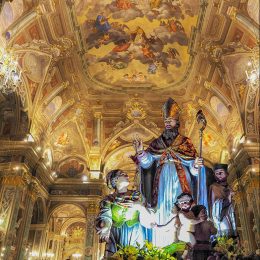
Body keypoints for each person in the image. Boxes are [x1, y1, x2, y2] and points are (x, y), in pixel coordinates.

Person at [132, 97, 208, 247]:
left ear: (177, 122)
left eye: (171, 120)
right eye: (166, 119)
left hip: (181, 178)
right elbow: (147, 163)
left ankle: (182, 242)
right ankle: (162, 243)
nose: (168, 122)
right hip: (161, 180)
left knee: (182, 205)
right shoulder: (157, 142)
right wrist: (140, 152)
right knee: (162, 206)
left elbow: (193, 169)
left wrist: (195, 165)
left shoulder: (185, 142)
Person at [95, 169, 155, 257]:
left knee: (136, 255)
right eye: (123, 174)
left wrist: (139, 206)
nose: (127, 176)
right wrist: (105, 225)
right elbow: (105, 215)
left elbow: (148, 212)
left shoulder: (137, 196)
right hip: (116, 233)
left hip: (135, 232)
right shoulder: (109, 199)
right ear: (115, 180)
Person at [209, 164, 236, 237]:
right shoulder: (214, 187)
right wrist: (229, 197)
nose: (219, 174)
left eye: (221, 172)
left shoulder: (230, 186)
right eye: (217, 173)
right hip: (222, 215)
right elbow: (215, 203)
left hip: (233, 213)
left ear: (227, 173)